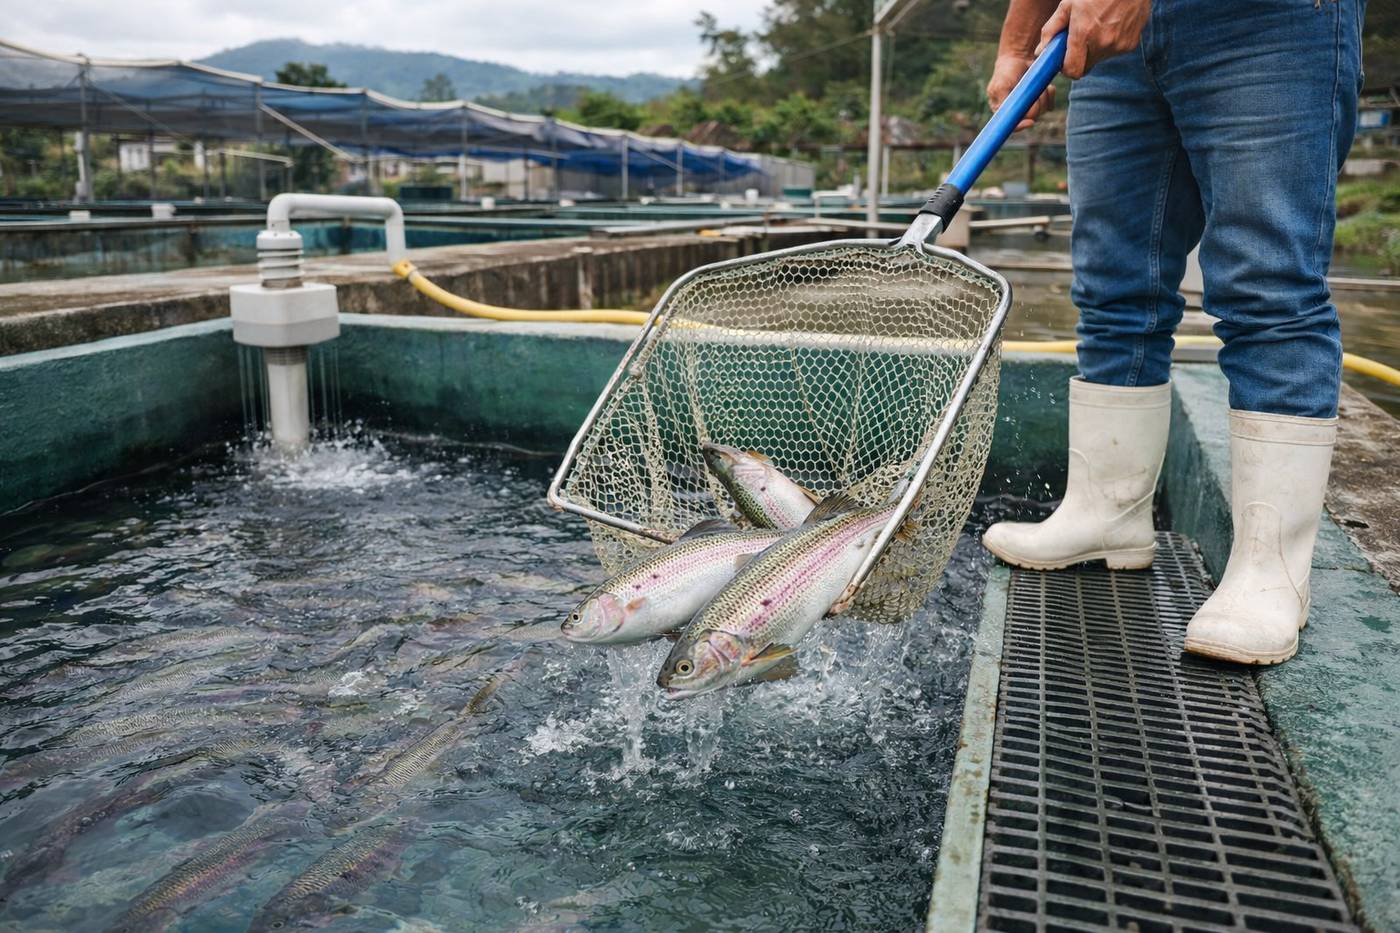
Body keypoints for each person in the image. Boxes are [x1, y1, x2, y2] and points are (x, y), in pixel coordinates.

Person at [979, 0, 1365, 664]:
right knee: (1113, 285)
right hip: (1108, 44)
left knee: (1266, 283)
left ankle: (1270, 572)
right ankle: (1107, 514)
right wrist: (1017, 41)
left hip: (1271, 23)